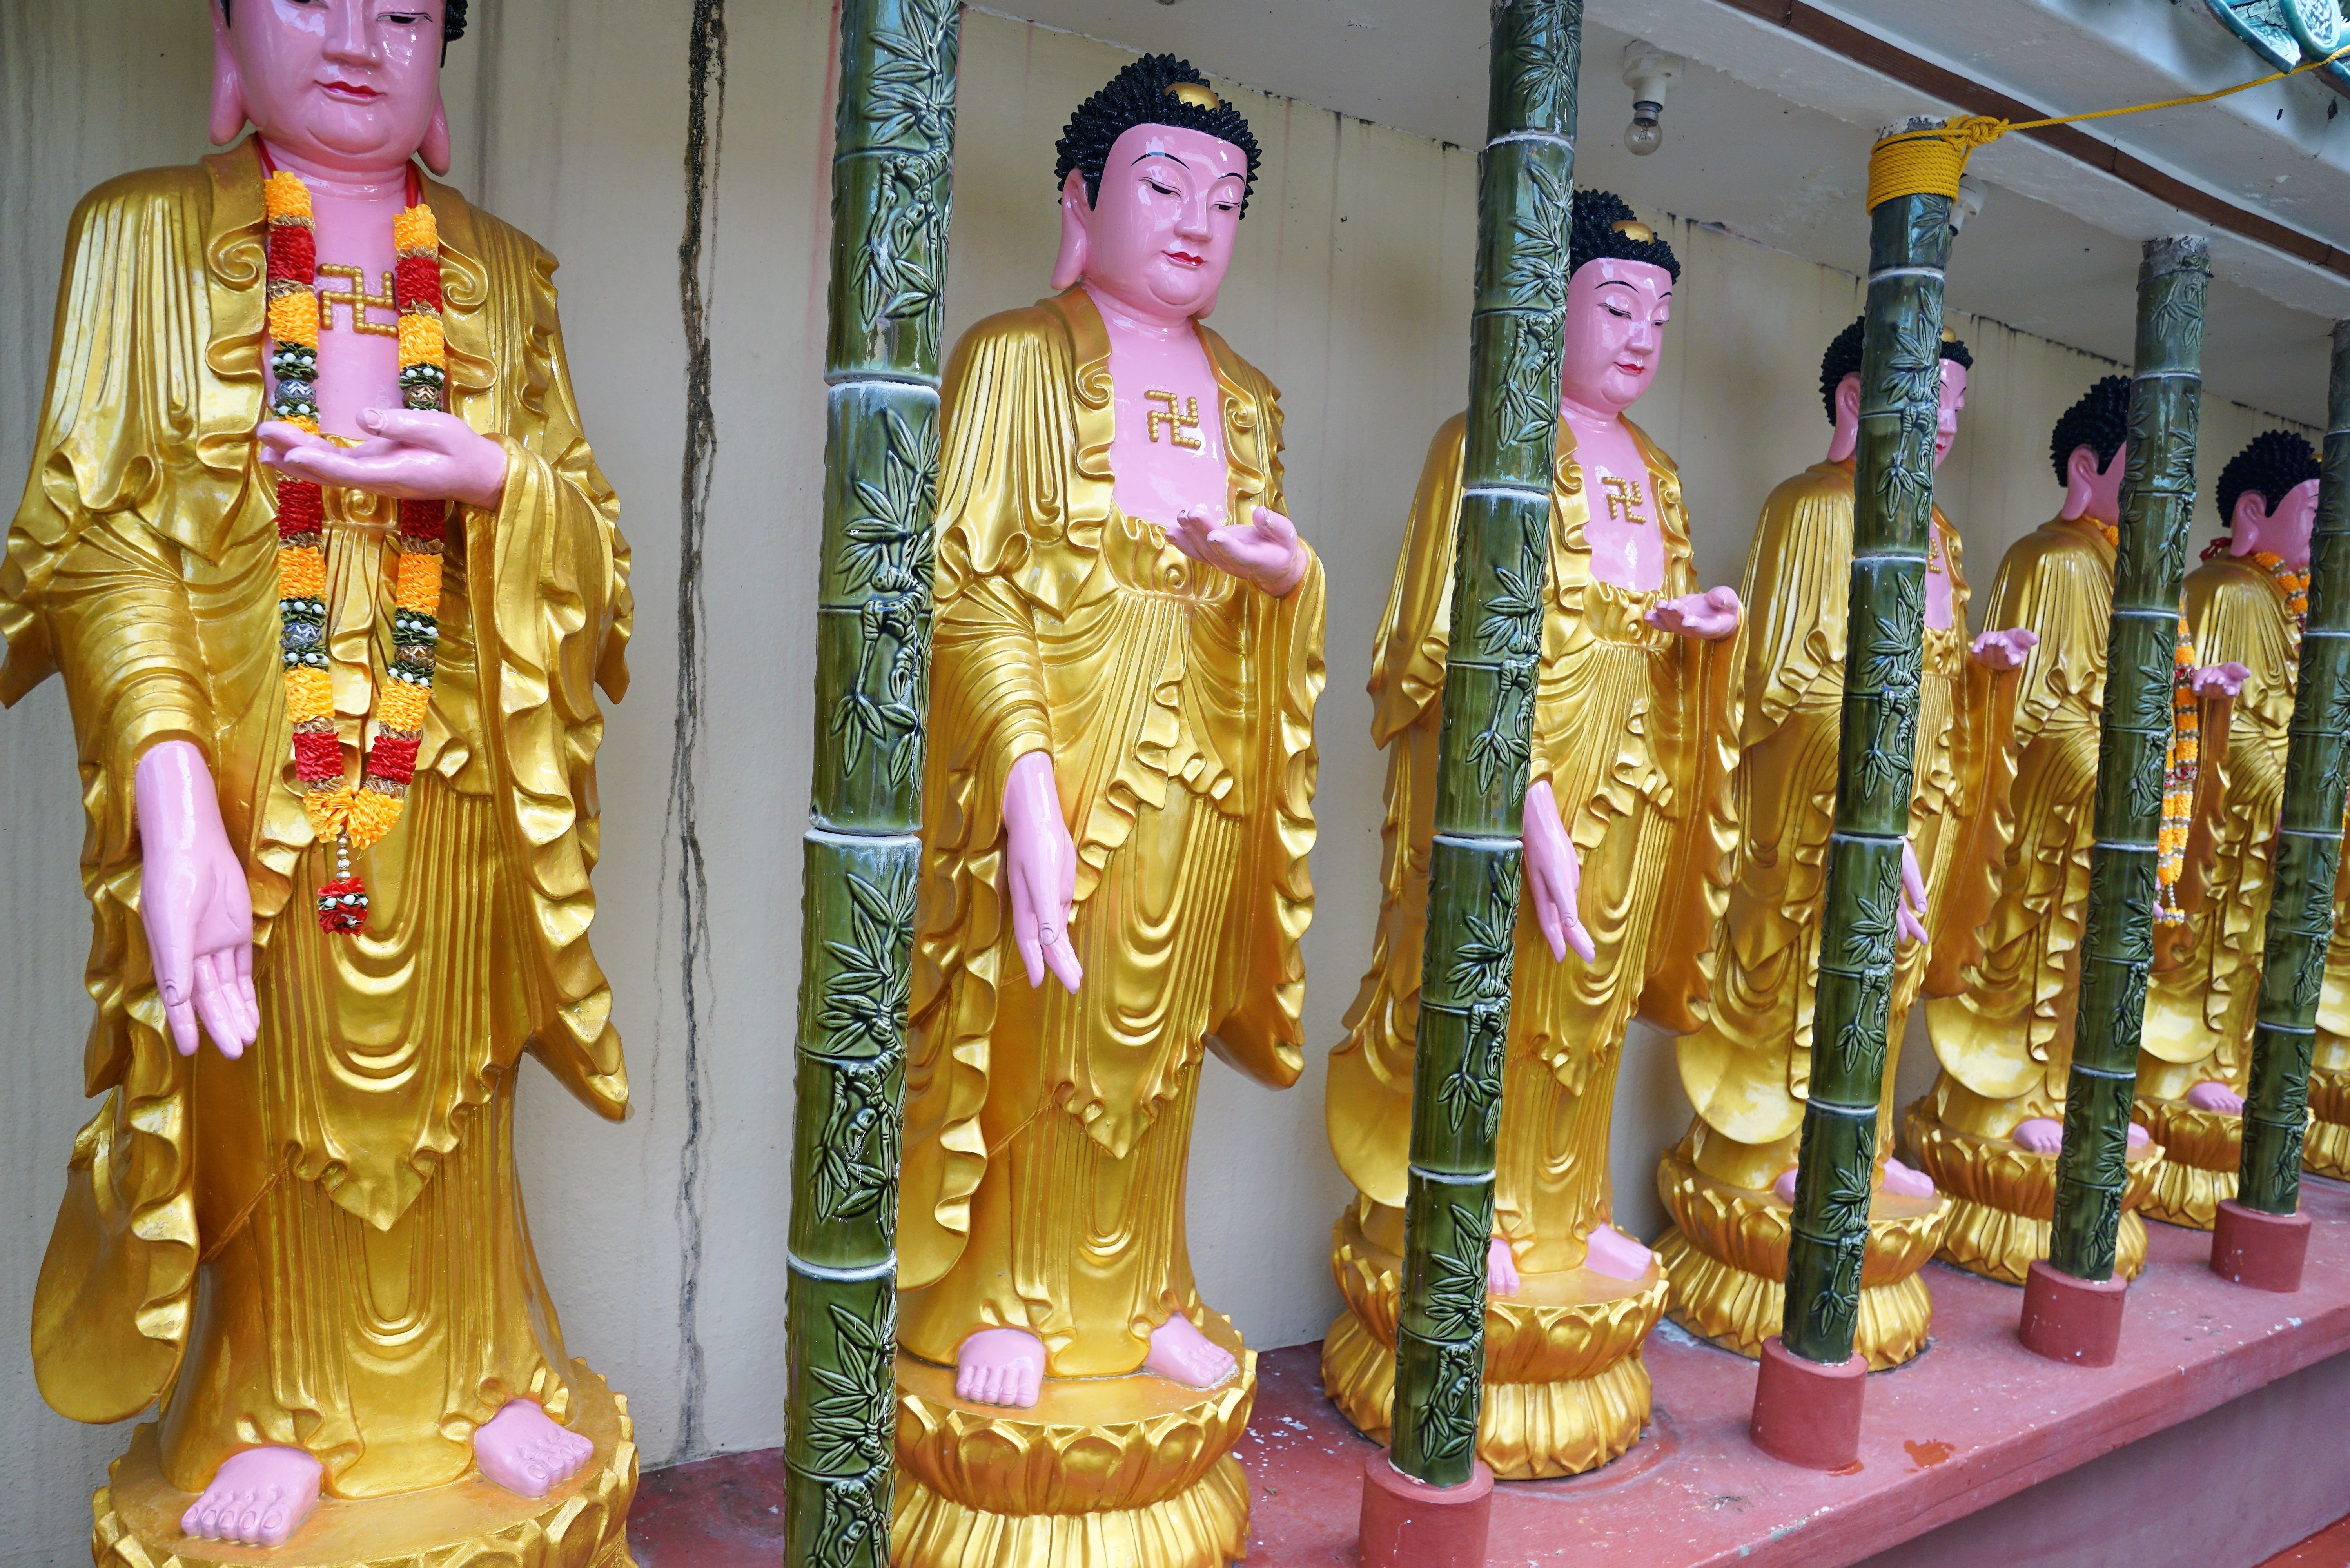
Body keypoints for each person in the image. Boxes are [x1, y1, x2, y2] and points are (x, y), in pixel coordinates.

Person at [1, 1, 632, 1552]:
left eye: (406, 8)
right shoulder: (144, 237)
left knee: (454, 1092)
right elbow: (87, 542)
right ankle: (266, 1399)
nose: (359, 33)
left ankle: (487, 1369)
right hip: (239, 781)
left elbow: (600, 565)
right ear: (225, 33)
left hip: (454, 766)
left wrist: (498, 481)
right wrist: (165, 793)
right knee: (267, 1087)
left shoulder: (501, 275)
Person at [889, 54, 1323, 1567]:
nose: (1198, 220)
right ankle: (997, 1292)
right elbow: (961, 586)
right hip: (1052, 772)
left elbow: (1278, 591)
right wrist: (1020, 781)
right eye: (1161, 184)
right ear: (1080, 200)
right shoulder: (1012, 358)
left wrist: (1284, 585)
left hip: (1199, 775)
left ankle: (1136, 1290)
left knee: (1151, 1053)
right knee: (1033, 1038)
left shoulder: (1251, 401)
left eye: (1225, 200)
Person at [1323, 192, 1742, 1478]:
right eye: (1614, 305)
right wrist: (1523, 800)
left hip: (1630, 773)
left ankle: (1569, 1204)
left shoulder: (1658, 474)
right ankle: (1467, 1211)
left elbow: (1651, 617)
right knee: (1485, 990)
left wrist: (1697, 640)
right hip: (1512, 780)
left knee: (1588, 1000)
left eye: (1659, 315)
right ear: (1545, 309)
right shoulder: (1483, 446)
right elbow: (1440, 649)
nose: (1640, 336)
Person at [1659, 316, 2034, 1368]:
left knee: (1885, 984)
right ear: (1855, 401)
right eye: (1929, 398)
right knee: (1803, 972)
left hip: (1914, 807)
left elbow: (1928, 671)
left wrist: (1981, 677)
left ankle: (1852, 1145)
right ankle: (1769, 1145)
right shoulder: (1811, 510)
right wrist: (1863, 807)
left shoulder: (1942, 538)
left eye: (1959, 403)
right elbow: (1778, 686)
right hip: (1821, 811)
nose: (1949, 422)